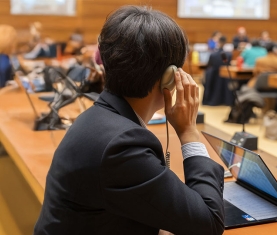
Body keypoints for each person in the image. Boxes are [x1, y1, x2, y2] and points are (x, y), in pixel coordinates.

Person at [34, 6, 225, 235]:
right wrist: (188, 131)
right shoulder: (122, 147)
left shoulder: (98, 118)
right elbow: (209, 223)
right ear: (170, 77)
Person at [202, 36, 235, 106]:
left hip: (214, 77)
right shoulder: (229, 55)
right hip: (225, 78)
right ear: (225, 43)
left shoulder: (213, 55)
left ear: (218, 42)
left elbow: (209, 65)